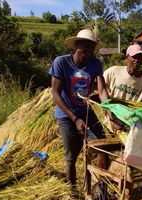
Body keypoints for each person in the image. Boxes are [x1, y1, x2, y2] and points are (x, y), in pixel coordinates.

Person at [49, 29, 115, 189]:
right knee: (71, 157)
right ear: (76, 45)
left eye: (92, 46)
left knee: (103, 147)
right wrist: (74, 119)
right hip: (66, 115)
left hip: (85, 112)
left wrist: (110, 113)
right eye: (85, 45)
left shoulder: (96, 63)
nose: (89, 50)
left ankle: (99, 188)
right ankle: (72, 193)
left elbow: (101, 91)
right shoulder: (61, 63)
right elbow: (55, 94)